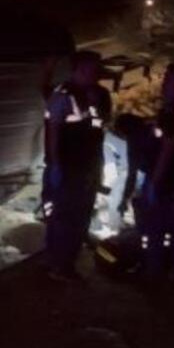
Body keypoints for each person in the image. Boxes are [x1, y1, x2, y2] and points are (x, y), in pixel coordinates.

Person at [43, 50, 112, 281]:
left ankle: (66, 263)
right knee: (64, 217)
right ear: (78, 69)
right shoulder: (63, 94)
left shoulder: (101, 94)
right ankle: (57, 265)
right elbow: (53, 129)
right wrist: (55, 165)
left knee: (81, 217)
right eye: (89, 68)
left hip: (89, 165)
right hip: (69, 167)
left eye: (95, 68)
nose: (94, 73)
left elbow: (100, 126)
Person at [140, 63, 174, 291]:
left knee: (156, 230)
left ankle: (154, 277)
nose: (164, 84)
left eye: (168, 80)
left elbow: (167, 149)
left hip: (168, 183)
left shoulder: (172, 112)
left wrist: (153, 184)